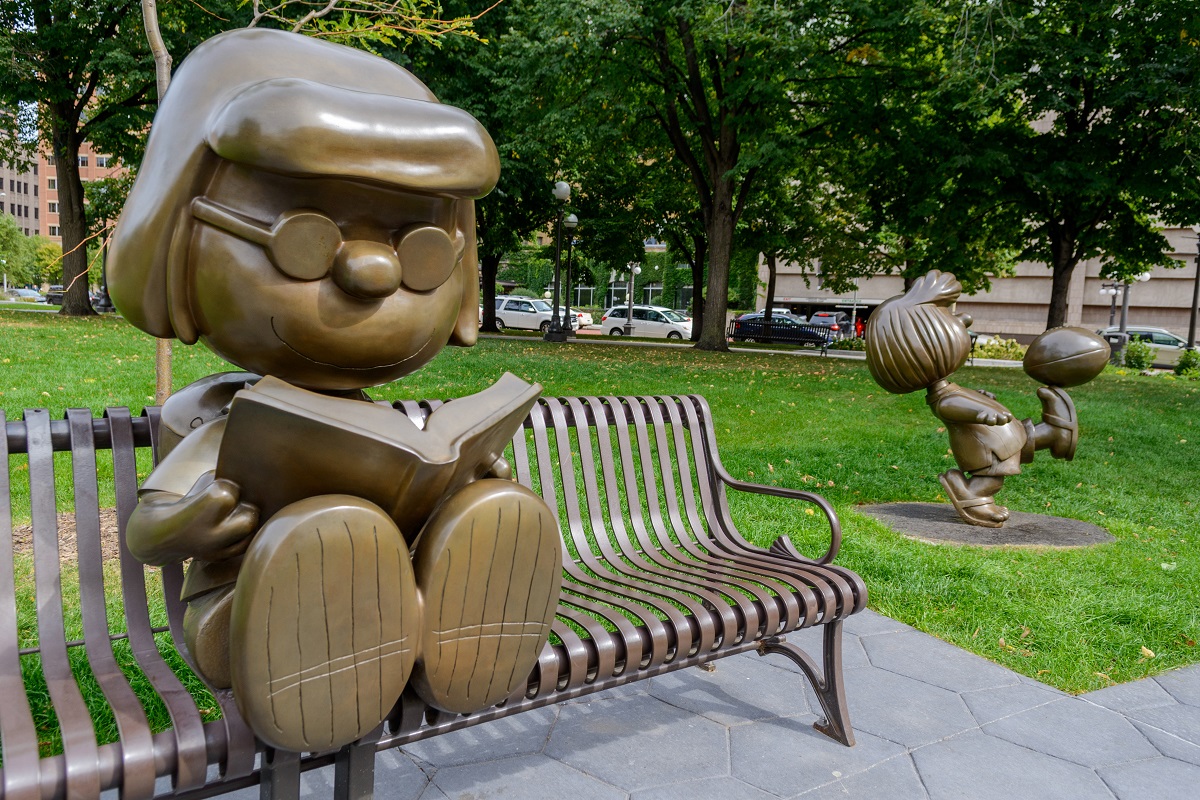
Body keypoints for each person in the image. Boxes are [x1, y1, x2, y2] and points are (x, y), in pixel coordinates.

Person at [107, 28, 561, 753]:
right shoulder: (231, 417)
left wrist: (459, 480)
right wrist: (188, 523)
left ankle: (456, 610)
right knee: (322, 538)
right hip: (247, 611)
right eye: (304, 238)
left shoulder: (370, 419)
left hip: (385, 605)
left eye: (420, 251)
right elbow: (148, 534)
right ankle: (336, 656)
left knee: (465, 511)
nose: (372, 273)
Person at [864, 271, 1077, 527]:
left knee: (1019, 439)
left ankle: (1057, 434)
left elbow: (958, 400)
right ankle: (973, 496)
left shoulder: (948, 388)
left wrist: (980, 399)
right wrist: (979, 412)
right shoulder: (942, 398)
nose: (965, 319)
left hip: (996, 439)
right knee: (994, 477)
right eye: (950, 319)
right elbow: (951, 407)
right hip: (985, 448)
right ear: (926, 345)